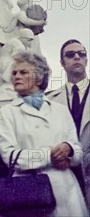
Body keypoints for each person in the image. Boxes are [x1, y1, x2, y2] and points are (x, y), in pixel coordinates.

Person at [0, 50, 88, 217]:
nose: (16, 76)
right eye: (14, 73)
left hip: (66, 192)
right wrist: (48, 156)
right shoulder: (6, 112)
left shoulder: (60, 110)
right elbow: (10, 157)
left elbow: (78, 152)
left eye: (23, 72)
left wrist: (69, 149)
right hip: (29, 193)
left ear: (38, 77)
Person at [48, 39, 89, 204]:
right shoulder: (50, 100)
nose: (77, 57)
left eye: (82, 54)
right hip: (65, 175)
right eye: (70, 55)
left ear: (86, 60)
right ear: (62, 62)